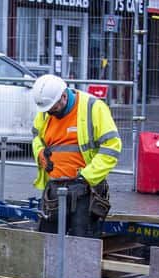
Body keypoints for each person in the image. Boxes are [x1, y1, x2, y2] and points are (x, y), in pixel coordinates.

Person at [30, 74, 122, 238]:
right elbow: (37, 137)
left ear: (64, 96)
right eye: (47, 110)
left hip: (85, 190)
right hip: (55, 187)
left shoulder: (93, 108)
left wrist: (87, 177)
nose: (50, 113)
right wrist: (40, 153)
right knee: (48, 240)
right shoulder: (46, 112)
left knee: (83, 240)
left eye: (53, 109)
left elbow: (111, 146)